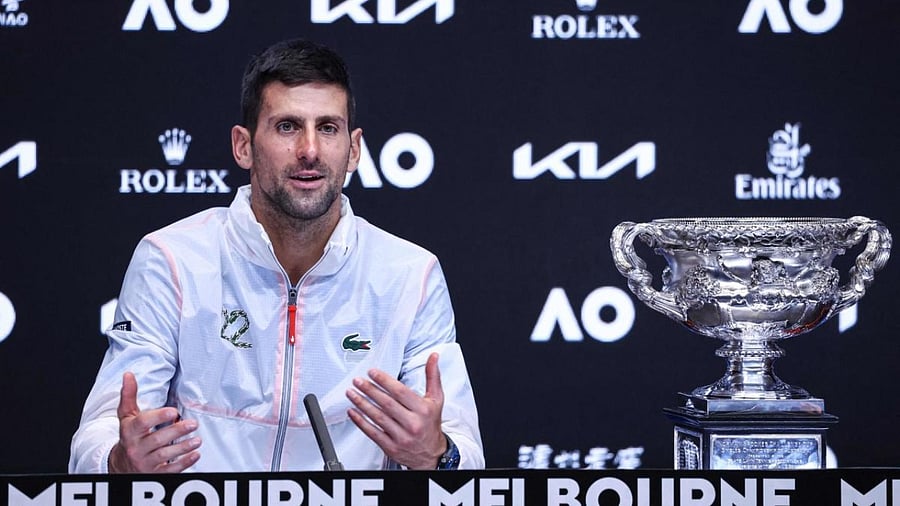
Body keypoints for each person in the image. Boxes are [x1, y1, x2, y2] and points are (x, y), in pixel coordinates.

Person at [69, 38, 484, 473]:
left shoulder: (411, 274)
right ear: (243, 146)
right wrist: (118, 463)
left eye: (328, 128)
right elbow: (97, 436)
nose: (309, 149)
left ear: (354, 149)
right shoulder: (172, 259)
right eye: (287, 126)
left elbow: (465, 456)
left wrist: (438, 455)